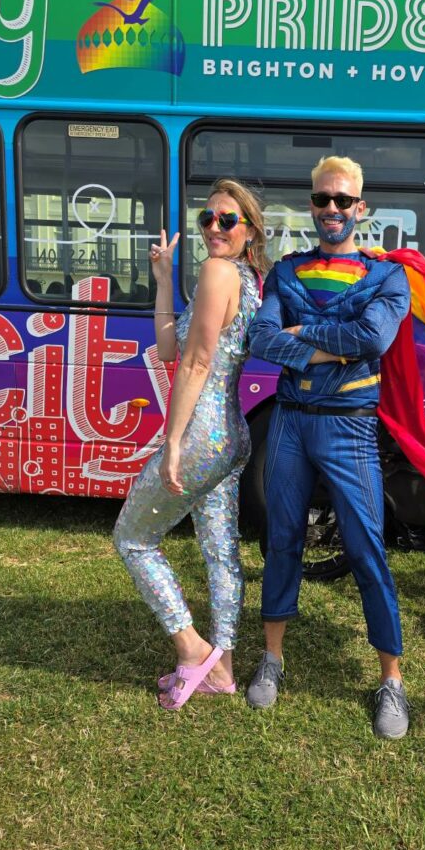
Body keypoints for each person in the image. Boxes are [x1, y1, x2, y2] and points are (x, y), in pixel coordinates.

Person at [246, 155, 413, 739]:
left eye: (343, 201)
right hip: (291, 423)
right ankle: (272, 657)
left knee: (367, 547)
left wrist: (304, 336)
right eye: (323, 200)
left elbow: (375, 338)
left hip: (350, 427)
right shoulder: (287, 272)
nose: (333, 211)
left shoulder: (388, 276)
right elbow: (261, 339)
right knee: (282, 539)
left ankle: (391, 680)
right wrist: (333, 347)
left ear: (360, 209)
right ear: (311, 205)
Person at [114, 179, 269, 710]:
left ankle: (191, 648)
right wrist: (162, 280)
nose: (214, 229)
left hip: (203, 434)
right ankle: (222, 670)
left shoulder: (218, 271)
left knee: (132, 541)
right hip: (233, 435)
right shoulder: (249, 279)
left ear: (249, 229)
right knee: (220, 554)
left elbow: (197, 364)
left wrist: (174, 441)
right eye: (207, 219)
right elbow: (166, 348)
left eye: (228, 220)